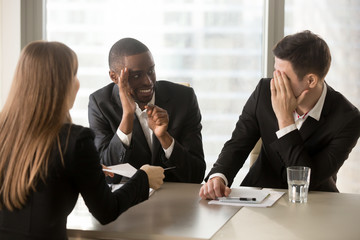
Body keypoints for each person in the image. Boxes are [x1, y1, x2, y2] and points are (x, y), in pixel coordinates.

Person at [0, 41, 165, 239]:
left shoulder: (5, 134)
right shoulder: (74, 140)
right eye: (73, 75)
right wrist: (143, 177)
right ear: (60, 84)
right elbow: (106, 211)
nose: (77, 83)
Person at [199, 30, 360, 199]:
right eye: (275, 71)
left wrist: (285, 120)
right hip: (259, 195)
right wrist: (219, 176)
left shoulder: (348, 119)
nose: (275, 82)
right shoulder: (264, 91)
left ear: (310, 80)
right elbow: (238, 144)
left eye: (283, 77)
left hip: (313, 201)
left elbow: (307, 182)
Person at [88, 38, 206, 183]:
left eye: (151, 71)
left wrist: (165, 138)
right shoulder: (100, 104)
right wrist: (127, 117)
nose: (148, 81)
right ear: (114, 77)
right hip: (128, 200)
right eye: (136, 76)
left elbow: (196, 175)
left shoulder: (183, 99)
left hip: (175, 199)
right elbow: (105, 175)